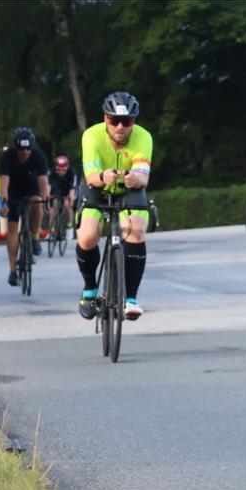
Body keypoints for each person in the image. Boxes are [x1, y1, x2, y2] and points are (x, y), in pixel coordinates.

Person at [77, 91, 152, 321]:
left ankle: (131, 298)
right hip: (98, 186)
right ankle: (89, 290)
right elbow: (91, 176)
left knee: (136, 230)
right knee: (88, 236)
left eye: (127, 121)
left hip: (130, 188)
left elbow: (143, 177)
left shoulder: (144, 137)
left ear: (134, 122)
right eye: (114, 120)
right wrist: (102, 177)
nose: (120, 127)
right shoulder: (91, 136)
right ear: (105, 119)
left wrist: (134, 179)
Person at [0, 128, 50, 286]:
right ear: (16, 148)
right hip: (14, 190)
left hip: (31, 186)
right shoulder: (7, 157)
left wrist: (46, 198)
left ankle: (34, 237)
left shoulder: (38, 156)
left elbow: (43, 181)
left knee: (37, 203)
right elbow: (4, 182)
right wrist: (4, 203)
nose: (25, 152)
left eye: (28, 149)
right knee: (12, 227)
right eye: (21, 149)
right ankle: (13, 270)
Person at [47, 154, 78, 234]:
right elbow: (48, 187)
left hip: (69, 189)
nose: (60, 172)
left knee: (68, 204)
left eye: (63, 170)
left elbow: (72, 188)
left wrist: (70, 199)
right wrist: (47, 199)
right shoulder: (52, 172)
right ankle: (51, 229)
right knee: (53, 209)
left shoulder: (71, 172)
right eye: (58, 169)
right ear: (55, 168)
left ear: (67, 168)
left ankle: (69, 226)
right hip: (57, 189)